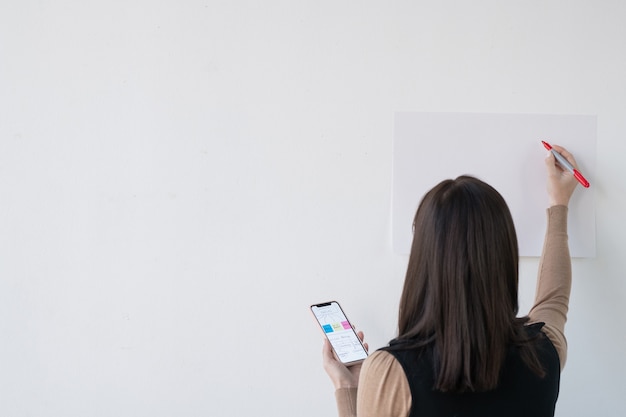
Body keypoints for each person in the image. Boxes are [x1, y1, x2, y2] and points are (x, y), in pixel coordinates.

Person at [322, 144, 581, 417]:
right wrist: (559, 205)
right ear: (504, 255)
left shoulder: (391, 372)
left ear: (423, 259)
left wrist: (348, 386)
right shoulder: (543, 354)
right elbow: (554, 299)